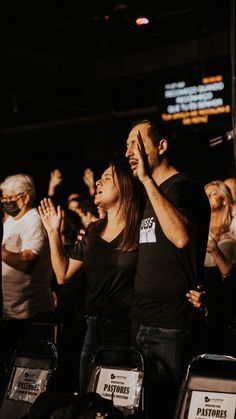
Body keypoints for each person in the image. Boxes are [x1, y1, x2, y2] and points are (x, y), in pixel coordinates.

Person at [125, 118, 210, 419]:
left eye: (135, 143)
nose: (128, 153)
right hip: (141, 319)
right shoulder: (150, 194)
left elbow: (181, 236)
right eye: (126, 147)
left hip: (170, 324)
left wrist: (147, 180)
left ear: (161, 146)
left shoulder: (183, 188)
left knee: (165, 409)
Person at [38, 159, 143, 395]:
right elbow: (63, 274)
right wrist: (53, 232)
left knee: (117, 402)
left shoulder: (140, 229)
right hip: (92, 327)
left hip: (124, 329)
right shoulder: (94, 230)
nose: (98, 181)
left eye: (107, 178)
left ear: (125, 186)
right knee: (88, 397)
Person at [0, 174, 55, 379]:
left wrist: (3, 253)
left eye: (10, 197)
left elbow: (26, 262)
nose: (6, 202)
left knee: (26, 374)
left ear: (26, 197)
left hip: (27, 313)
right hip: (8, 310)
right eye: (3, 198)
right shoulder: (10, 221)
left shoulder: (34, 221)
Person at [204, 180, 236, 354]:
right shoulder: (200, 226)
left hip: (227, 292)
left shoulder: (233, 226)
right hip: (205, 289)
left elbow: (230, 272)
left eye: (213, 193)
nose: (208, 197)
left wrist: (216, 251)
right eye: (206, 194)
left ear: (224, 199)